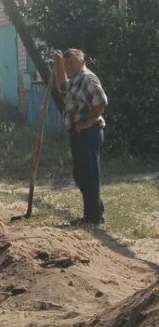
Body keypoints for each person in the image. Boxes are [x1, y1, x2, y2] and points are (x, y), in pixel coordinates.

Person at [54, 48, 108, 226]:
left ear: (82, 61)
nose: (68, 66)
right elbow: (62, 85)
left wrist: (87, 123)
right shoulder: (75, 80)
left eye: (71, 63)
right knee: (80, 174)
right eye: (66, 63)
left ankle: (93, 217)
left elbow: (101, 102)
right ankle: (95, 210)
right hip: (77, 133)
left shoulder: (87, 78)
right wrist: (58, 65)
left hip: (89, 133)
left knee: (90, 175)